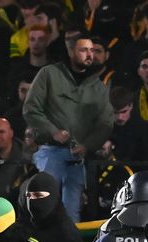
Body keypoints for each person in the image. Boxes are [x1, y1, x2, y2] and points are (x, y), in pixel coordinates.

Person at [23, 33, 114, 222]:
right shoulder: (49, 74)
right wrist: (52, 131)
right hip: (50, 151)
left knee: (72, 214)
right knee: (45, 204)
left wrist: (87, 146)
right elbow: (30, 109)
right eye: (83, 50)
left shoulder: (98, 87)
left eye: (92, 50)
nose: (89, 54)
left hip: (78, 157)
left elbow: (105, 124)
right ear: (71, 52)